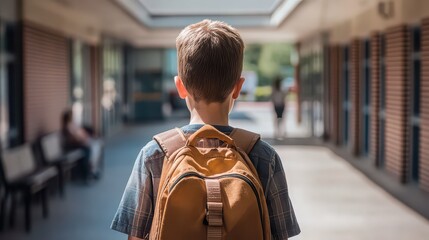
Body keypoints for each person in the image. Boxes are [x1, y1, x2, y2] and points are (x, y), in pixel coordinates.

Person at [111, 19, 300, 240]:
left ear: (180, 86)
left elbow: (135, 237)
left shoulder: (154, 155)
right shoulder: (263, 156)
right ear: (238, 88)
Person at [61, 109, 102, 181]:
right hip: (77, 146)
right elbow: (74, 139)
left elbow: (80, 132)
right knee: (92, 148)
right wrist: (83, 139)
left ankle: (92, 169)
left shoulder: (72, 124)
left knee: (96, 146)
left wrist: (84, 137)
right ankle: (91, 170)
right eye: (71, 115)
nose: (72, 117)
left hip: (81, 143)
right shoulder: (68, 127)